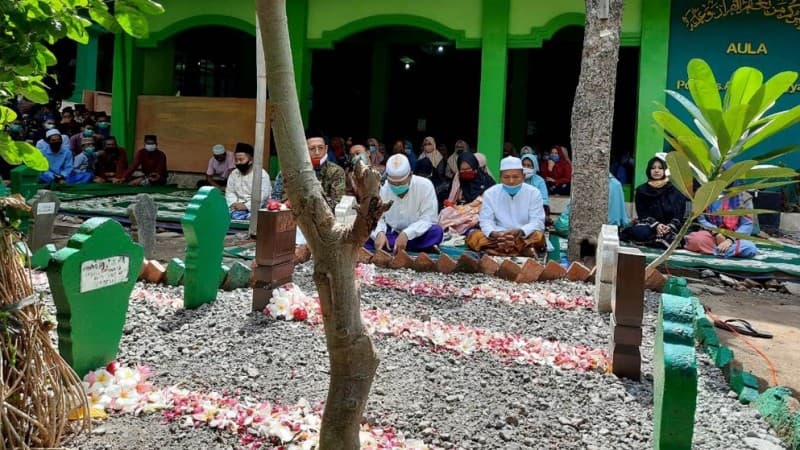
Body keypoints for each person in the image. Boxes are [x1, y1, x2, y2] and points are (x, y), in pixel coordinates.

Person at [466, 156, 546, 256]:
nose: (511, 181)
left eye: (515, 177)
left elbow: (537, 221)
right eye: (506, 177)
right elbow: (486, 220)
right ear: (500, 177)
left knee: (538, 236)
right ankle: (517, 250)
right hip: (498, 236)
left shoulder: (534, 193)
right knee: (473, 236)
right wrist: (493, 233)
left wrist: (521, 231)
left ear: (523, 176)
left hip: (523, 235)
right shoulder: (490, 193)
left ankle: (500, 251)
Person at [366, 154, 443, 253]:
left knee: (436, 232)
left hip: (417, 234)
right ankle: (413, 247)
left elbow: (428, 218)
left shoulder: (425, 185)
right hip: (392, 232)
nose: (397, 187)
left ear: (410, 175)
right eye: (393, 183)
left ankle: (393, 246)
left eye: (401, 183)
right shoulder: (384, 189)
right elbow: (376, 218)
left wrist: (407, 234)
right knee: (366, 234)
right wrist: (379, 233)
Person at [621, 156, 687, 248]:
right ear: (649, 170)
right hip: (650, 226)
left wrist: (669, 226)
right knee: (640, 232)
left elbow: (679, 214)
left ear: (665, 170)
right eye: (653, 168)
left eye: (660, 168)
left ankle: (659, 239)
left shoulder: (675, 190)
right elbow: (642, 214)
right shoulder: (641, 190)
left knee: (673, 237)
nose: (656, 171)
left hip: (669, 228)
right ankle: (659, 240)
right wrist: (657, 226)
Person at [684, 191, 758, 258]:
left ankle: (718, 251)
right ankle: (726, 252)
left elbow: (747, 224)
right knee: (696, 240)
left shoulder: (744, 197)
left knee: (750, 248)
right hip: (711, 234)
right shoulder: (707, 193)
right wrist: (717, 233)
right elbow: (702, 219)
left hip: (735, 237)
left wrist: (730, 240)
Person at [438, 152, 495, 235]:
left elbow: (491, 200)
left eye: (468, 169)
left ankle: (465, 231)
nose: (465, 172)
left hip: (479, 211)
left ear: (475, 167)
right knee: (445, 212)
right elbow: (451, 198)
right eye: (462, 170)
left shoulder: (486, 179)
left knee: (474, 219)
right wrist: (455, 206)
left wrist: (474, 205)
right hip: (460, 208)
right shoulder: (457, 179)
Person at [225, 143, 271, 220]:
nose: (238, 163)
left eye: (241, 160)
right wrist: (233, 203)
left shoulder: (261, 174)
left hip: (256, 206)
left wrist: (246, 206)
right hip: (236, 207)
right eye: (236, 160)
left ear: (250, 160)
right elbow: (230, 192)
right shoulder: (234, 174)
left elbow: (262, 196)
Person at [307, 131, 346, 210]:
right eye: (312, 149)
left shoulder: (336, 171)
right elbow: (283, 198)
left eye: (320, 148)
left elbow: (337, 202)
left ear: (326, 149)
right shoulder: (296, 170)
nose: (317, 152)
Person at [521, 154, 550, 218]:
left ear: (534, 167)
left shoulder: (539, 181)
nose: (526, 168)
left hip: (535, 209)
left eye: (529, 166)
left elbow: (544, 199)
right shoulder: (516, 179)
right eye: (523, 165)